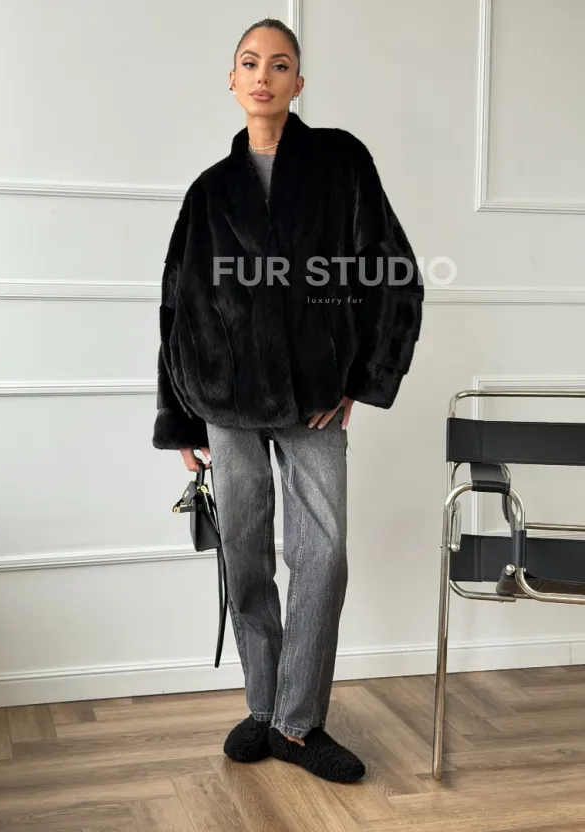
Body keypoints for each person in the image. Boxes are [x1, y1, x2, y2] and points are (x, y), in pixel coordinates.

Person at [152, 18, 423, 783]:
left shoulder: (341, 163)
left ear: (298, 83)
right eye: (250, 63)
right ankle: (265, 707)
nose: (264, 76)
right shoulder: (210, 192)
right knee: (245, 558)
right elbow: (177, 307)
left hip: (314, 402)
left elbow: (395, 273)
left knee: (322, 558)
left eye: (280, 64)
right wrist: (180, 416)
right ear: (232, 80)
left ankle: (300, 726)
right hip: (226, 403)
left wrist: (360, 379)